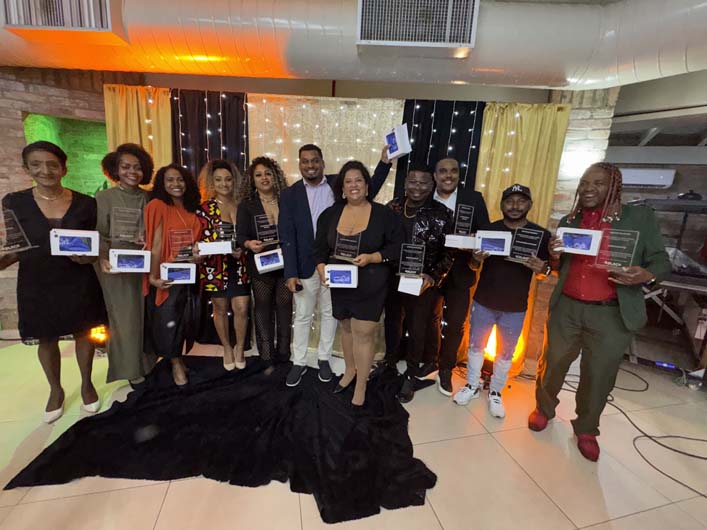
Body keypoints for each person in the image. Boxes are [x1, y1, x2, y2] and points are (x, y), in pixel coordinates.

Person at [529, 163, 671, 461]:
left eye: (598, 183)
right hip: (568, 307)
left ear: (614, 186)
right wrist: (554, 256)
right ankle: (544, 409)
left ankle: (586, 428)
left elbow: (661, 261)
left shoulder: (639, 218)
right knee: (552, 363)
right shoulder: (570, 220)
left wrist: (645, 275)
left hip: (611, 312)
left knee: (599, 373)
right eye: (584, 182)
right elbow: (560, 267)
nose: (588, 188)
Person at [0, 141, 107, 422]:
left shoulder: (86, 203)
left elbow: (92, 247)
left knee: (85, 332)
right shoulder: (14, 202)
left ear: (64, 168)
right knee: (46, 336)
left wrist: (88, 257)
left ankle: (87, 384)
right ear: (26, 169)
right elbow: (16, 246)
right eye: (36, 164)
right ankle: (55, 390)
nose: (45, 170)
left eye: (52, 164)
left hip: (78, 278)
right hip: (36, 280)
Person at [279, 144, 392, 387]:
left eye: (315, 160)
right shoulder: (289, 194)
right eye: (305, 161)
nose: (310, 165)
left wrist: (385, 162)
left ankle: (324, 358)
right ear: (299, 164)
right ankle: (299, 361)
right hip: (305, 265)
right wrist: (290, 273)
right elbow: (286, 235)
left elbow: (368, 187)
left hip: (337, 266)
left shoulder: (337, 183)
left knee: (330, 315)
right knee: (303, 316)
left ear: (322, 163)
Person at [453, 184, 551, 418]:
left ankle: (496, 392)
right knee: (475, 347)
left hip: (515, 306)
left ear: (530, 205)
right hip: (484, 301)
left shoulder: (540, 235)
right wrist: (475, 259)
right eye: (510, 201)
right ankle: (472, 385)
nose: (515, 206)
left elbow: (546, 272)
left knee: (506, 353)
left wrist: (543, 269)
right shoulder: (488, 230)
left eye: (521, 201)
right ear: (502, 205)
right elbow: (473, 266)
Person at [314, 160, 403, 407]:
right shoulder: (330, 214)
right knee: (346, 328)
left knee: (363, 333)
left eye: (359, 180)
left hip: (371, 282)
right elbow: (319, 248)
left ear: (367, 185)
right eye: (348, 181)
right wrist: (321, 269)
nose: (354, 185)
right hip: (340, 281)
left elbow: (397, 246)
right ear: (342, 188)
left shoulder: (384, 214)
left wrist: (373, 257)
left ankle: (361, 384)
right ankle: (350, 370)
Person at [384, 164, 454, 403]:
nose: (417, 187)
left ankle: (412, 373)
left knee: (417, 328)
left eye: (423, 183)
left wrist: (433, 276)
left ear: (432, 184)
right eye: (412, 182)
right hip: (393, 277)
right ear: (405, 183)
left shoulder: (442, 214)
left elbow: (450, 252)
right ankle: (389, 363)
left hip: (423, 281)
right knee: (392, 322)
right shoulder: (392, 207)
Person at [95, 143, 155, 386]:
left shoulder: (150, 197)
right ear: (115, 169)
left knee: (146, 317)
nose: (132, 172)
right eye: (126, 167)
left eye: (137, 167)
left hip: (146, 264)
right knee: (125, 319)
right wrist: (102, 257)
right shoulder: (104, 197)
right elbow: (98, 233)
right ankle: (130, 369)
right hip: (116, 267)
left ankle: (148, 363)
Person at [432, 157, 490, 396]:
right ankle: (428, 361)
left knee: (455, 324)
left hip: (461, 272)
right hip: (431, 271)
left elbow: (485, 232)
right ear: (435, 175)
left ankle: (446, 368)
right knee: (426, 320)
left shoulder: (473, 199)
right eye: (443, 171)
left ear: (459, 174)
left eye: (453, 171)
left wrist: (477, 244)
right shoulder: (426, 196)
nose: (448, 175)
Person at [143, 164, 203, 387]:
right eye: (170, 180)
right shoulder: (157, 205)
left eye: (180, 179)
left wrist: (198, 257)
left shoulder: (190, 208)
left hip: (188, 272)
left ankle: (180, 359)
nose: (176, 184)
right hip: (167, 275)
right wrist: (153, 276)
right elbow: (155, 245)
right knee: (169, 319)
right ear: (162, 183)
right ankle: (175, 363)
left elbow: (195, 244)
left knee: (184, 319)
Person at [237, 156, 292, 367]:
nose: (264, 178)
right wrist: (249, 244)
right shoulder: (247, 206)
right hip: (261, 264)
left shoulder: (286, 201)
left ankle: (284, 353)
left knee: (285, 306)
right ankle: (266, 355)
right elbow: (240, 236)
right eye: (259, 175)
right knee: (263, 308)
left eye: (268, 173)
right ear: (252, 180)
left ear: (275, 176)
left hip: (285, 263)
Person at [197, 159, 250, 371]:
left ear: (234, 181)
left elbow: (249, 236)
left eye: (228, 179)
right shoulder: (204, 209)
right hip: (215, 267)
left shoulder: (242, 206)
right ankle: (227, 347)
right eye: (218, 180)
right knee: (220, 308)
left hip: (240, 265)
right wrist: (218, 247)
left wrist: (242, 249)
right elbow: (201, 241)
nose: (224, 184)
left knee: (242, 308)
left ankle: (240, 347)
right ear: (212, 182)